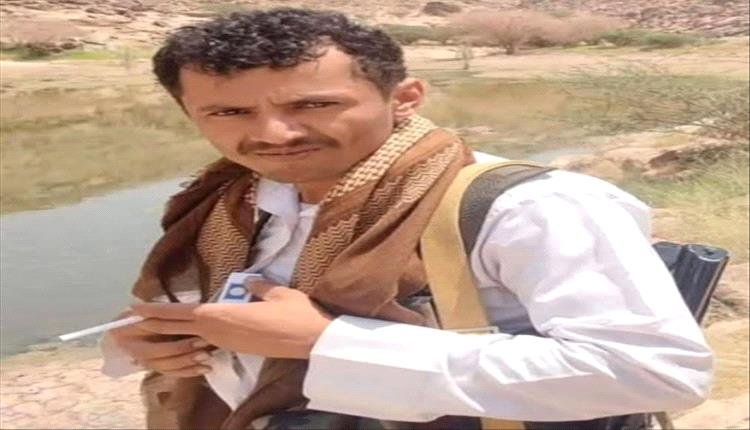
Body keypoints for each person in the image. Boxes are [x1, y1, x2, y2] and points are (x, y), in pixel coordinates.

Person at [101, 8, 713, 429]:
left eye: (313, 104)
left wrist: (327, 343)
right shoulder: (227, 207)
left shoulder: (529, 207)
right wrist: (152, 345)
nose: (274, 134)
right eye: (229, 112)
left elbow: (653, 372)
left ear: (404, 99)